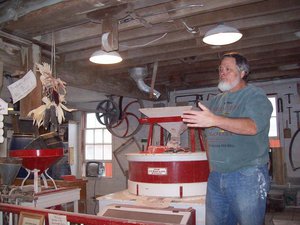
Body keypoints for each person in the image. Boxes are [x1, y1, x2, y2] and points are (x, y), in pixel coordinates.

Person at [182, 52, 273, 225]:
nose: (222, 72)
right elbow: (207, 134)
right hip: (217, 176)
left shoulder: (254, 96)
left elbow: (252, 127)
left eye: (228, 69)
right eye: (220, 69)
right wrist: (212, 166)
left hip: (247, 174)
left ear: (243, 73)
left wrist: (215, 119)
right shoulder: (215, 101)